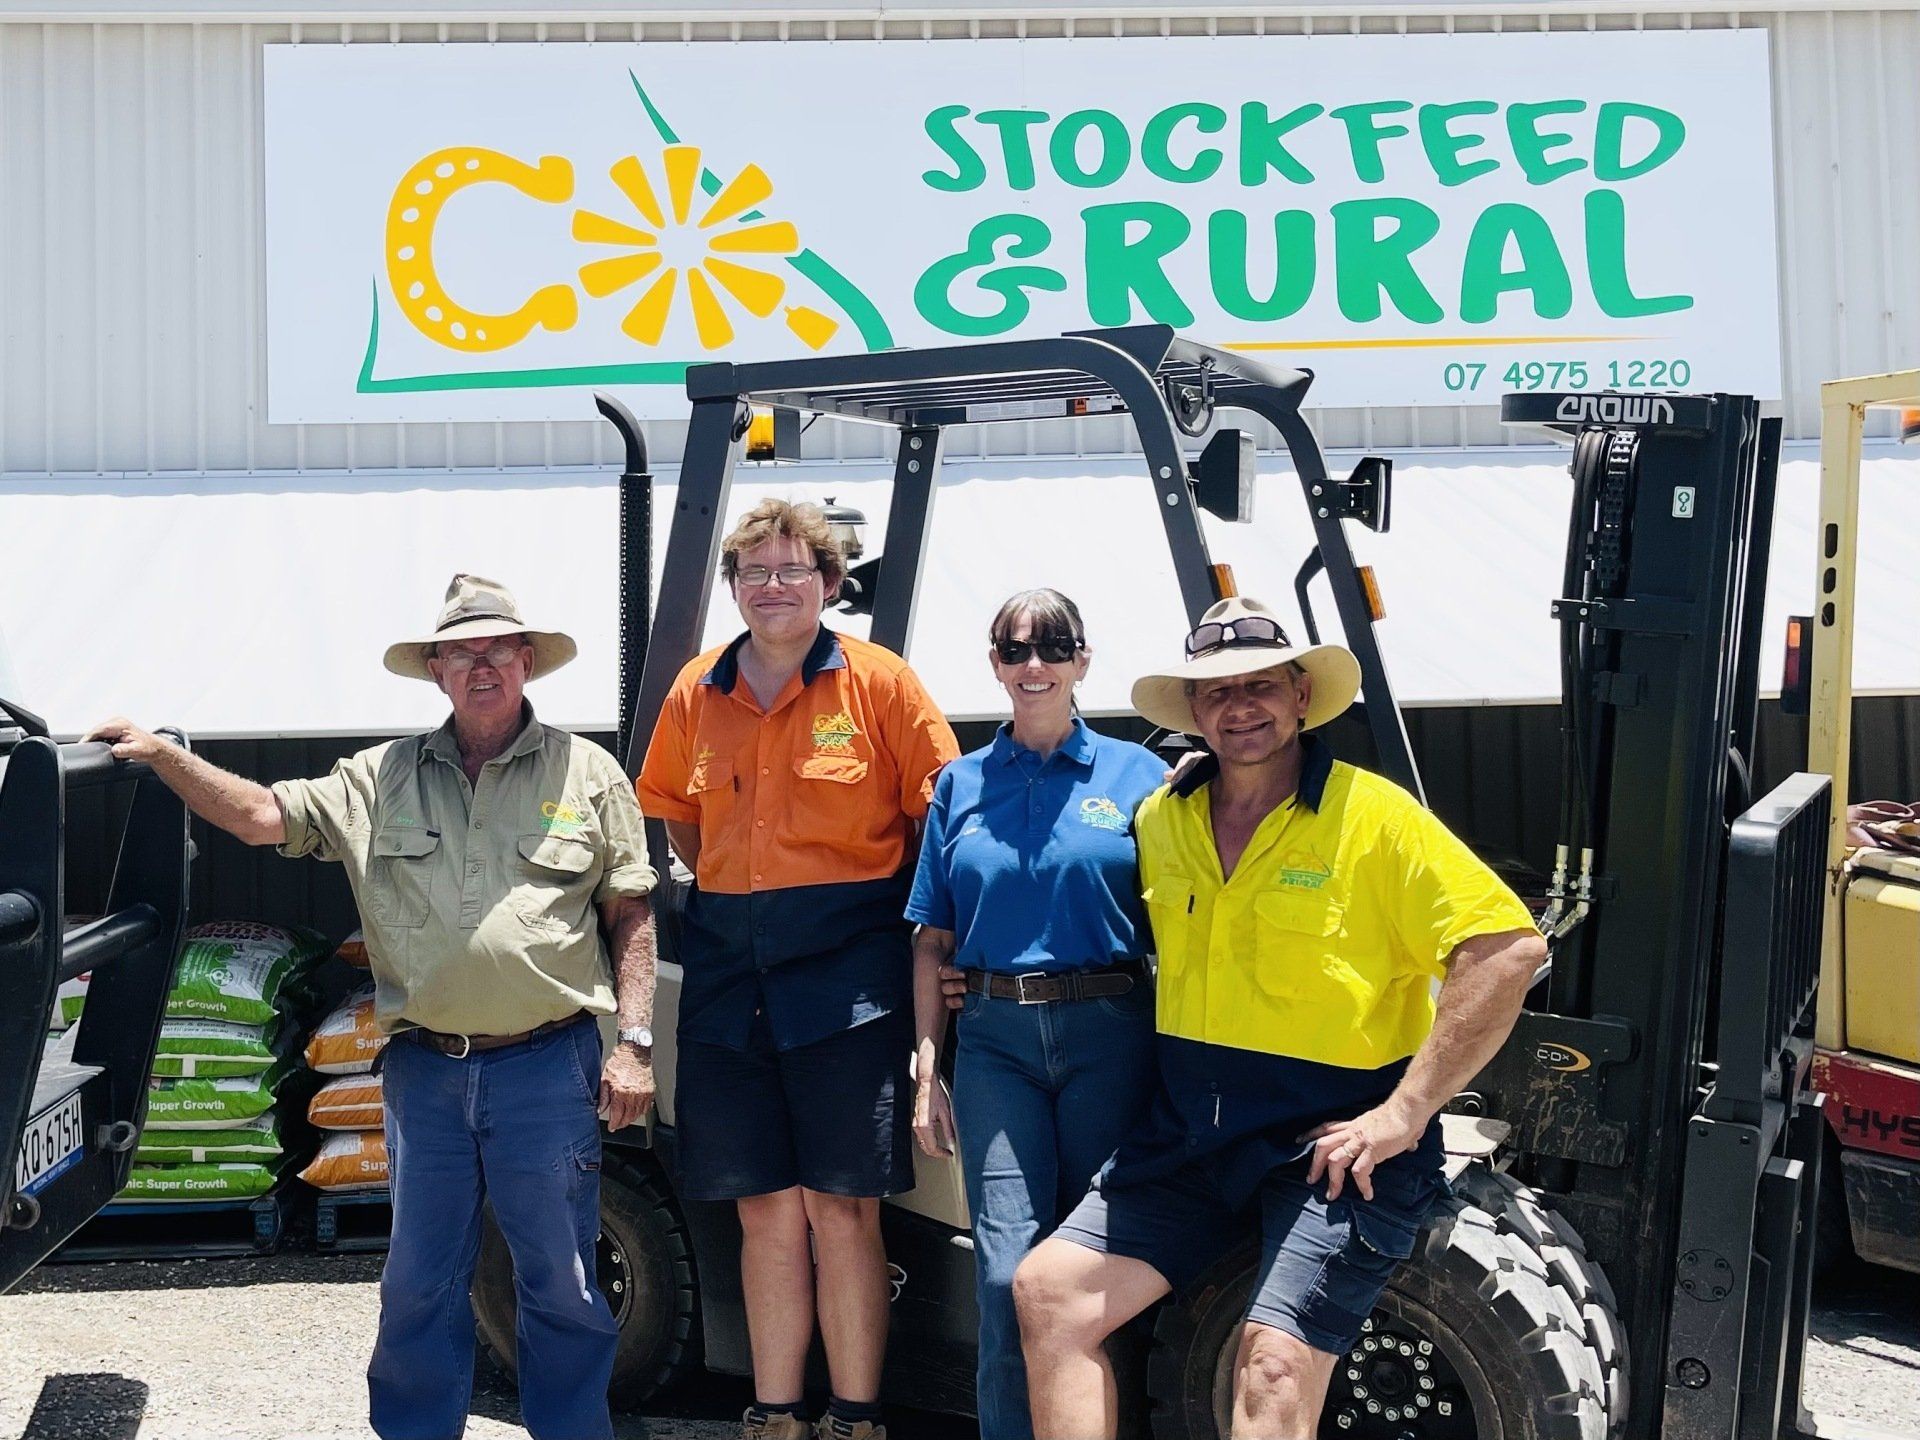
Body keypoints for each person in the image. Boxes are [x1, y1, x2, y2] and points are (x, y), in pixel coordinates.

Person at [88, 574, 658, 1440]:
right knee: (420, 1280)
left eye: (498, 648)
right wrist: (163, 754)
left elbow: (632, 912)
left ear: (527, 661)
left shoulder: (590, 773)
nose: (481, 665)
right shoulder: (379, 777)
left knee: (562, 1280)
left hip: (550, 1066)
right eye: (461, 651)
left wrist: (636, 1044)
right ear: (434, 670)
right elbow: (255, 817)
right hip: (426, 1072)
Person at [1014, 595, 1546, 1439]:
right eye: (1218, 693)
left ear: (1302, 696)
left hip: (1331, 1147)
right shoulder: (1166, 817)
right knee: (1050, 1294)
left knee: (1273, 1362)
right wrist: (973, 974)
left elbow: (1509, 949)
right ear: (1194, 713)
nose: (1240, 708)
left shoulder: (1373, 818)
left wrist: (1405, 1113)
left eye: (1260, 685)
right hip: (1191, 1136)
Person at [637, 499, 959, 1440]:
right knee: (764, 1212)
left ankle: (854, 1416)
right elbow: (679, 820)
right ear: (733, 587)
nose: (772, 588)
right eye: (755, 573)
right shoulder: (698, 690)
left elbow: (937, 822)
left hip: (849, 973)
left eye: (792, 571)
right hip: (731, 975)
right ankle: (773, 1413)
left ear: (828, 583)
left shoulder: (882, 685)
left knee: (841, 1210)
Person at [904, 588, 1163, 1440]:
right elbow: (931, 940)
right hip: (995, 1046)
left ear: (1085, 660)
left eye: (1053, 647)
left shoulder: (1143, 779)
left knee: (1100, 1274)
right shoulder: (963, 784)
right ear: (994, 666)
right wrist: (926, 1066)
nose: (1034, 665)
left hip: (1109, 1037)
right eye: (1014, 650)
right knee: (1006, 1272)